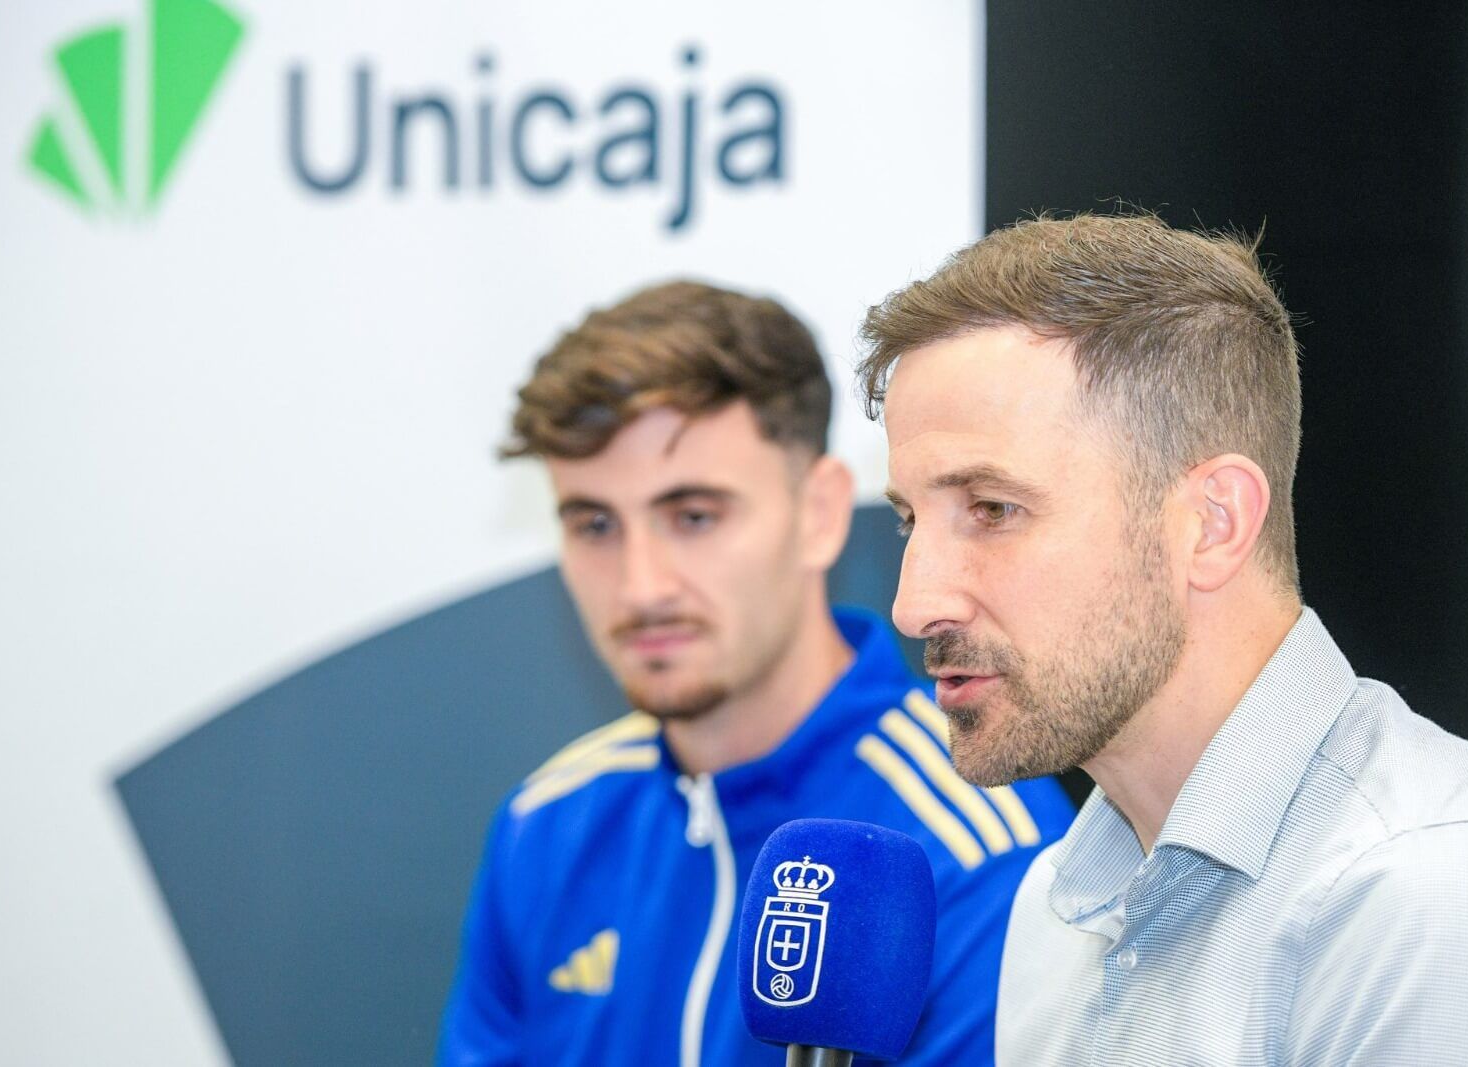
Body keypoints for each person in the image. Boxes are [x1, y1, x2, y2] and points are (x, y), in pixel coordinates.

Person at [858, 213, 1468, 1064]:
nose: (914, 605)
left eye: (993, 510)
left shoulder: (1430, 893)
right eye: (911, 519)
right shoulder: (1056, 901)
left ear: (1212, 523)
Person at [438, 280, 1076, 1066]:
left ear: (819, 513)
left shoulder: (979, 849)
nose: (642, 585)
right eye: (595, 524)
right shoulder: (547, 824)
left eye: (694, 516)